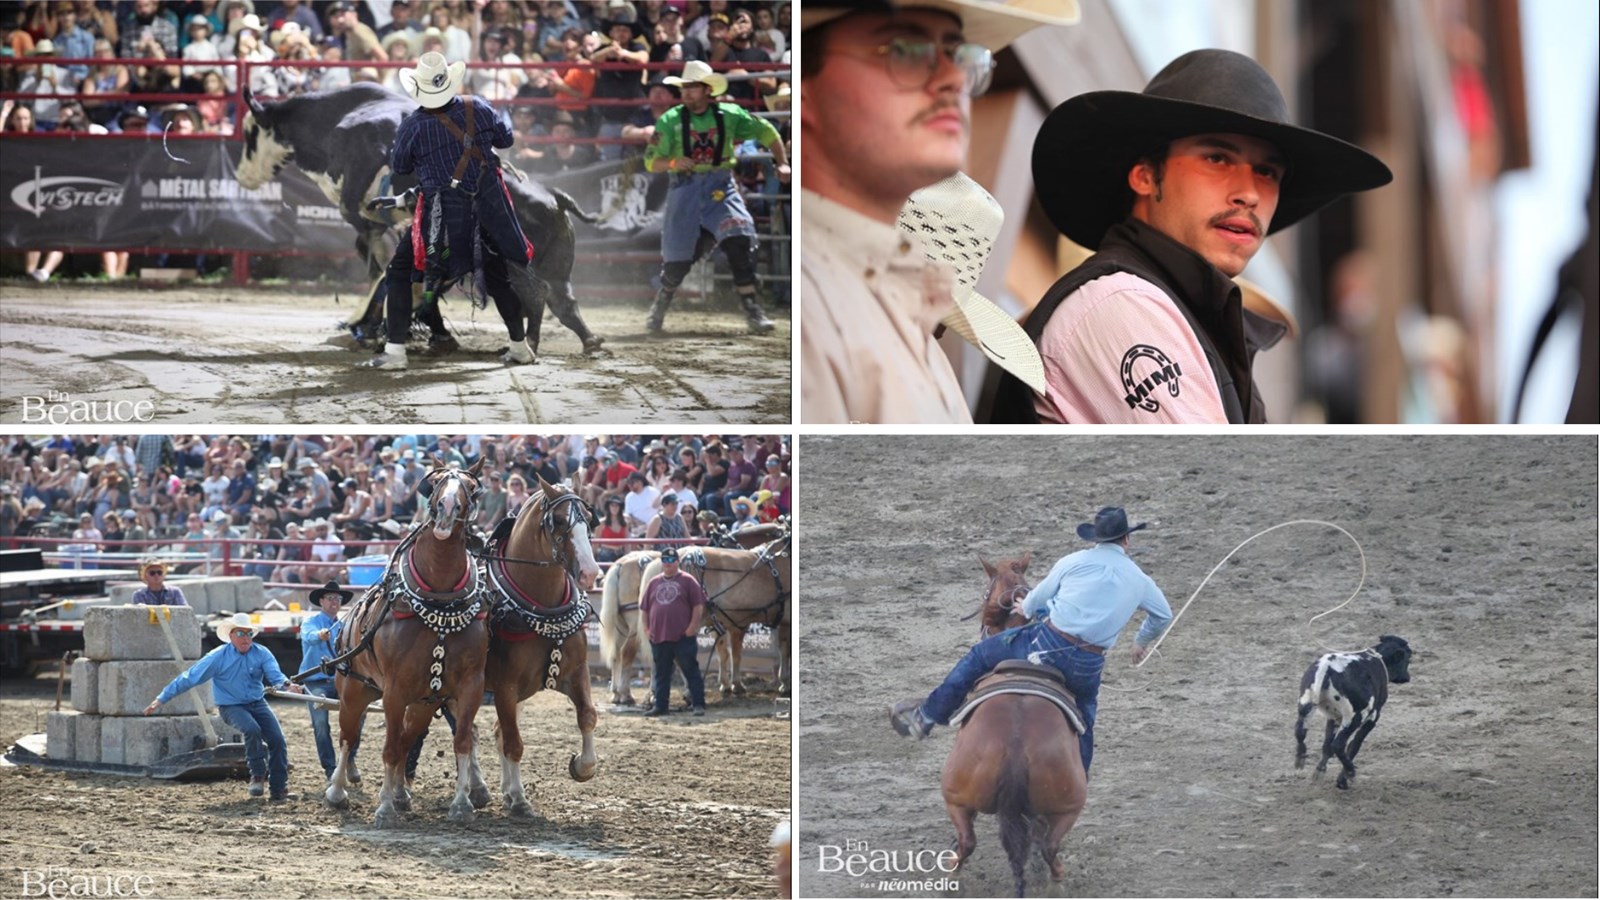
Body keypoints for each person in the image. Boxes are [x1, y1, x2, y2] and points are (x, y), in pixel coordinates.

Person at [989, 49, 1394, 423]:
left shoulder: (1176, 312)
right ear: (1146, 175)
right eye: (1217, 158)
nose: (1249, 193)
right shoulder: (1122, 304)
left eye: (1267, 172)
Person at [799, 0, 1078, 423]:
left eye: (961, 55)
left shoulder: (923, 350)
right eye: (904, 51)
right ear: (801, 84)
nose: (953, 78)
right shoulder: (802, 303)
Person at [888, 507, 1173, 776]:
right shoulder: (1141, 580)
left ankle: (926, 716)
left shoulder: (1072, 561)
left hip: (1045, 644)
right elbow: (1163, 615)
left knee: (977, 657)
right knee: (1085, 719)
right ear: (1126, 539)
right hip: (1087, 664)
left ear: (1096, 539)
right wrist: (1140, 641)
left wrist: (1026, 608)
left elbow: (1037, 600)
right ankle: (1078, 780)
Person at [365, 52, 601, 369]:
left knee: (398, 272)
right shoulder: (477, 106)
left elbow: (401, 166)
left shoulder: (414, 125)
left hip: (442, 215)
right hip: (486, 210)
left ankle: (395, 353)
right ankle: (519, 347)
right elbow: (505, 139)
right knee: (498, 277)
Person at [643, 59, 790, 334]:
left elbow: (766, 131)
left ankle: (752, 309)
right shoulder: (670, 120)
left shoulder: (730, 115)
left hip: (720, 188)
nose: (687, 92)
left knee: (739, 238)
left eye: (693, 87)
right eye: (684, 87)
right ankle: (659, 308)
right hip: (684, 190)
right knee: (679, 261)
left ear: (707, 90)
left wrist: (781, 162)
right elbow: (651, 160)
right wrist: (674, 163)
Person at [145, 613, 306, 801]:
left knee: (278, 740)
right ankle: (257, 774)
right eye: (240, 634)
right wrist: (161, 698)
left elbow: (276, 676)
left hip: (257, 702)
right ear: (230, 635)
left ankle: (279, 790)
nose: (246, 638)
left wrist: (288, 685)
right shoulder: (217, 656)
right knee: (251, 729)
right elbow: (190, 677)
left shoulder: (262, 653)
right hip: (231, 706)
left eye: (249, 634)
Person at [299, 581, 362, 782]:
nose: (335, 602)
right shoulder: (311, 622)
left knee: (359, 715)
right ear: (321, 601)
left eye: (338, 599)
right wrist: (319, 635)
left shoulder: (345, 626)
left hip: (340, 680)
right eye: (331, 598)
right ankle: (330, 769)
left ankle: (349, 759)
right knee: (320, 725)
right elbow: (308, 637)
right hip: (315, 681)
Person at [639, 547, 706, 717]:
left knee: (690, 670)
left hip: (682, 635)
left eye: (671, 560)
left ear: (677, 562)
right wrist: (646, 629)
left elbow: (698, 605)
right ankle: (661, 705)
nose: (668, 564)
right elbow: (645, 608)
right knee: (662, 673)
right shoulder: (654, 582)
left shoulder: (688, 581)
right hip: (659, 636)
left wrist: (693, 626)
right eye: (665, 561)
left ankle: (698, 703)